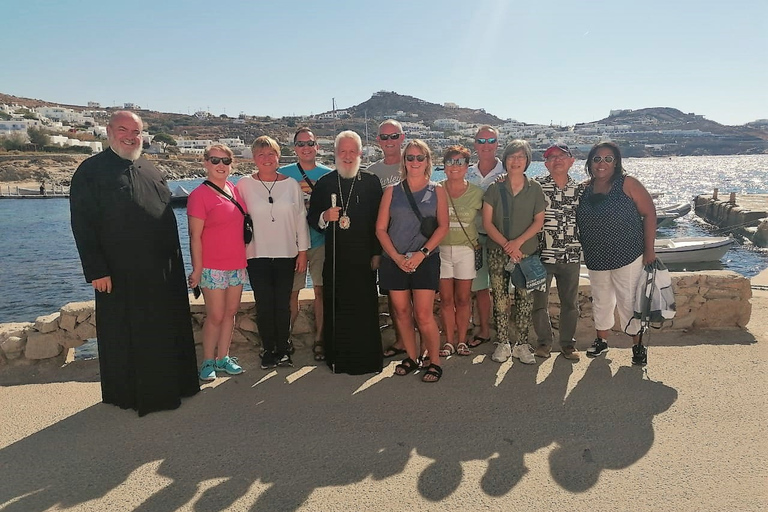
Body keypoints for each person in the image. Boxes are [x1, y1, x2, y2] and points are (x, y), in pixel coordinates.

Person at [70, 111, 199, 416]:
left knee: (166, 329)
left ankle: (177, 384)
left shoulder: (150, 168)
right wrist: (96, 270)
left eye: (137, 132)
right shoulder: (90, 171)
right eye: (123, 130)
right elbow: (82, 224)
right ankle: (135, 394)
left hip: (163, 271)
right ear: (109, 131)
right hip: (120, 272)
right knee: (131, 332)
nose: (130, 136)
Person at [307, 131, 384, 375]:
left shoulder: (371, 182)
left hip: (363, 258)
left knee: (364, 307)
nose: (348, 156)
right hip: (336, 259)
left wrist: (376, 253)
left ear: (360, 153)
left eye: (353, 151)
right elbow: (312, 218)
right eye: (343, 151)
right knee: (337, 307)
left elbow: (379, 222)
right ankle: (337, 358)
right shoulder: (326, 183)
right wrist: (324, 217)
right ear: (336, 154)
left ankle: (367, 359)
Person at [576, 141, 656, 365]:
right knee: (601, 301)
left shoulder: (628, 184)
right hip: (595, 256)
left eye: (608, 159)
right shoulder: (584, 188)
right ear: (590, 162)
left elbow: (649, 214)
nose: (602, 163)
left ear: (616, 162)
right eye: (597, 159)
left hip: (627, 254)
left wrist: (650, 249)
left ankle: (638, 346)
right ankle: (601, 341)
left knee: (628, 301)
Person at [376, 139, 449, 382]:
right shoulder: (391, 191)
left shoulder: (437, 190)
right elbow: (380, 229)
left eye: (420, 157)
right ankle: (412, 356)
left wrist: (421, 254)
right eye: (410, 157)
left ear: (428, 161)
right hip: (394, 260)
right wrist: (396, 257)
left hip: (425, 259)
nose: (415, 162)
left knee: (424, 314)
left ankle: (434, 361)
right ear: (404, 161)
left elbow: (443, 228)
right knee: (402, 311)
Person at [236, 136, 309, 369]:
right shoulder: (244, 185)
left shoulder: (291, 185)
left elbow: (300, 220)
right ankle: (268, 349)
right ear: (254, 158)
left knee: (283, 305)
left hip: (287, 253)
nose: (266, 159)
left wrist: (303, 252)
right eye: (260, 154)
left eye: (271, 154)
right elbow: (235, 220)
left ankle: (284, 348)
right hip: (256, 255)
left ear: (278, 157)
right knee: (264, 303)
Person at [186, 144, 246, 381]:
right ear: (205, 163)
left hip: (237, 264)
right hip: (212, 267)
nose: (221, 165)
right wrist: (198, 270)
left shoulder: (233, 189)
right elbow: (194, 237)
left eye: (226, 161)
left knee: (230, 313)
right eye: (215, 160)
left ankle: (224, 357)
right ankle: (207, 361)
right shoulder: (198, 196)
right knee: (215, 316)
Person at [482, 139, 545, 365]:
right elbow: (487, 223)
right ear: (505, 160)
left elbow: (539, 221)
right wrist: (507, 245)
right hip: (498, 253)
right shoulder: (494, 187)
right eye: (511, 156)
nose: (515, 161)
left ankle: (522, 345)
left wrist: (517, 243)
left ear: (527, 160)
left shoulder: (534, 188)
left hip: (525, 253)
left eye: (520, 157)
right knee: (499, 299)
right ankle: (502, 343)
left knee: (524, 300)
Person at [279, 127, 332, 361]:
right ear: (294, 148)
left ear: (317, 146)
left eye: (310, 143)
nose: (306, 147)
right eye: (301, 144)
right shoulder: (283, 174)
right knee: (292, 293)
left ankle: (321, 340)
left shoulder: (329, 174)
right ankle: (285, 340)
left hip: (320, 241)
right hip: (293, 244)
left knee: (321, 291)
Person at [531, 144, 584, 361]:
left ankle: (568, 345)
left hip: (571, 255)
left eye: (562, 156)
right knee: (539, 303)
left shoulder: (581, 189)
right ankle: (543, 343)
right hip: (542, 255)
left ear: (571, 161)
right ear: (546, 164)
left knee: (570, 303)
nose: (557, 160)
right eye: (551, 157)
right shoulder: (536, 187)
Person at [368, 119, 408, 358]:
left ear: (402, 138)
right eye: (385, 137)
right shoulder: (372, 172)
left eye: (394, 136)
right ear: (378, 141)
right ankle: (402, 341)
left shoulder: (414, 164)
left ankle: (420, 341)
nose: (389, 141)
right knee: (395, 297)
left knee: (418, 297)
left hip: (416, 243)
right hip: (386, 245)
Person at [438, 145, 483, 358]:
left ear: (467, 166)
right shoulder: (436, 189)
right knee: (446, 300)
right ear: (444, 166)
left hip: (466, 250)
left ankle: (462, 341)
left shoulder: (477, 193)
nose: (454, 166)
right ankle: (448, 341)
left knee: (464, 299)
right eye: (450, 162)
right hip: (440, 251)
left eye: (460, 162)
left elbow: (491, 217)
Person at [465, 125, 505, 349]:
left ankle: (506, 333)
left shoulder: (507, 172)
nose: (486, 145)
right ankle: (485, 330)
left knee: (502, 287)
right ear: (475, 145)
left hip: (500, 237)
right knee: (480, 287)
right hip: (474, 237)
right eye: (481, 141)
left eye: (491, 141)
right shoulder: (467, 172)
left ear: (497, 144)